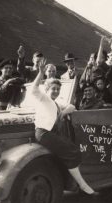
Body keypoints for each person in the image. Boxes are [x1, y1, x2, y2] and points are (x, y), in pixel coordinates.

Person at [31, 57, 98, 196]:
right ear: (47, 89)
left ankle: (76, 183)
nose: (55, 91)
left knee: (73, 151)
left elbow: (72, 106)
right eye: (53, 88)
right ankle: (82, 185)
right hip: (43, 133)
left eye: (58, 89)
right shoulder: (43, 98)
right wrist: (40, 73)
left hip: (50, 134)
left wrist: (64, 112)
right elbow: (33, 89)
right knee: (72, 153)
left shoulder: (56, 103)